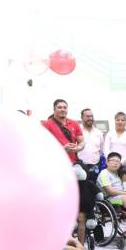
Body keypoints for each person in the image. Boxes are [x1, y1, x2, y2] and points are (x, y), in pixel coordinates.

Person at [41, 98, 92, 242]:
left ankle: (86, 216)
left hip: (74, 165)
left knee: (83, 184)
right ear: (54, 109)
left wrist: (78, 147)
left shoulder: (74, 123)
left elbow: (82, 141)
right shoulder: (47, 125)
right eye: (59, 107)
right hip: (57, 167)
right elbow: (43, 145)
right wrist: (61, 149)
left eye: (64, 107)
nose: (62, 109)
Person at [76, 107, 105, 172]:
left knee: (95, 182)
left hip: (95, 166)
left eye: (92, 116)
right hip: (80, 166)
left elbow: (102, 149)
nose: (90, 118)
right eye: (87, 116)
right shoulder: (77, 130)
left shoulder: (99, 132)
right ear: (82, 117)